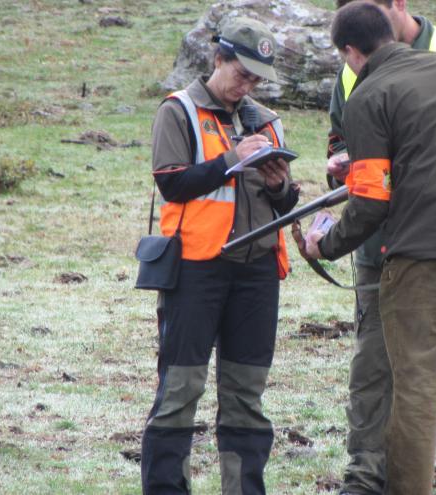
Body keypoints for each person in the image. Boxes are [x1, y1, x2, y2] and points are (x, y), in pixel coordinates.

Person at [300, 3, 436, 494]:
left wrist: (325, 245)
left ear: (351, 53)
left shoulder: (366, 95)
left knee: (416, 391)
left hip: (425, 256)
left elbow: (370, 203)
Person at [140, 17, 299, 495]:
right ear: (218, 58)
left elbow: (286, 202)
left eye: (256, 78)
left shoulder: (267, 121)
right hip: (195, 271)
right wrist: (232, 159)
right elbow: (172, 183)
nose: (246, 86)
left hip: (257, 276)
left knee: (246, 397)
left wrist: (279, 186)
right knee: (179, 392)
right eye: (241, 73)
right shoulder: (179, 111)